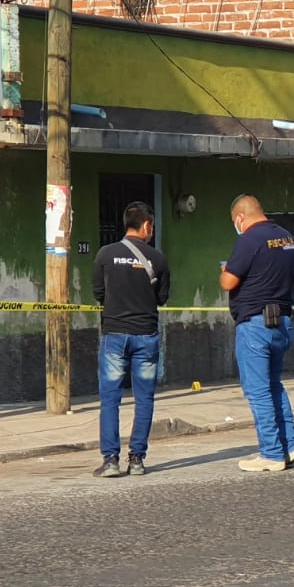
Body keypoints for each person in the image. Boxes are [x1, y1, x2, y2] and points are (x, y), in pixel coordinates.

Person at [220, 195, 294, 472]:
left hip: (255, 325)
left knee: (258, 391)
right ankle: (289, 446)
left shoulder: (249, 239)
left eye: (235, 222)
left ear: (241, 218)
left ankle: (271, 453)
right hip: (283, 322)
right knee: (275, 385)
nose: (236, 227)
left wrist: (224, 270)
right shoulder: (286, 237)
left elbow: (229, 281)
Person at [91, 201, 170, 478]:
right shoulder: (158, 259)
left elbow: (98, 293)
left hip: (114, 335)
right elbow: (162, 297)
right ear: (147, 226)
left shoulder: (104, 254)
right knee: (144, 398)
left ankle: (110, 460)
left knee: (110, 399)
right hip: (146, 336)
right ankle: (137, 459)